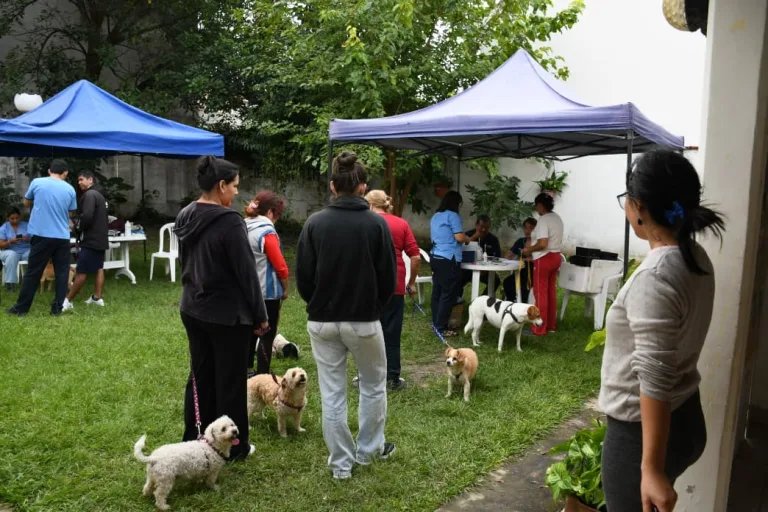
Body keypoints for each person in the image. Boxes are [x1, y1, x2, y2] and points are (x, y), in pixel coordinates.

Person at [600, 150, 724, 512]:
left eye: (626, 200)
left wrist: (650, 468)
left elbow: (654, 374)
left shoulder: (655, 276)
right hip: (685, 414)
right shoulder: (694, 256)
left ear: (638, 206)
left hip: (641, 434)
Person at [296, 151, 397, 480]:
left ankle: (341, 464)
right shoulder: (376, 224)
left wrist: (320, 303)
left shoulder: (314, 223)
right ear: (363, 187)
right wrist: (373, 307)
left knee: (333, 393)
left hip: (322, 321)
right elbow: (388, 278)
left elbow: (303, 278)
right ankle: (367, 452)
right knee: (373, 386)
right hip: (364, 321)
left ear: (332, 186)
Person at [174, 155, 269, 461]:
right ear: (221, 185)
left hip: (193, 306)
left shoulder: (185, 214)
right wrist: (260, 315)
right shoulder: (229, 221)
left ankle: (195, 436)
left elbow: (184, 262)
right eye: (235, 186)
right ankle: (235, 448)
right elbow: (246, 273)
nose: (237, 192)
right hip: (227, 315)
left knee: (200, 376)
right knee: (230, 382)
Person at [364, 189, 420, 391]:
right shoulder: (401, 224)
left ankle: (368, 376)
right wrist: (411, 283)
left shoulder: (364, 222)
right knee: (392, 334)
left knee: (367, 333)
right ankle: (393, 378)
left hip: (369, 287)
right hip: (395, 286)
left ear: (370, 205)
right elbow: (416, 257)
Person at [7, 159, 77, 316]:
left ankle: (21, 308)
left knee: (33, 272)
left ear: (49, 171)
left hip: (41, 235)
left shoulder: (37, 182)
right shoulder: (70, 189)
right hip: (62, 236)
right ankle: (57, 309)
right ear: (65, 173)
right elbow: (71, 212)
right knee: (62, 273)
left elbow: (26, 203)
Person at [244, 190, 289, 378]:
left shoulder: (243, 226)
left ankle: (247, 370)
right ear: (270, 212)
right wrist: (285, 287)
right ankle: (263, 375)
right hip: (267, 292)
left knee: (250, 332)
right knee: (266, 334)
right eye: (277, 215)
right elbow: (280, 265)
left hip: (246, 291)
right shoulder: (267, 232)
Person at [63, 171, 109, 310]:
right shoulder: (100, 196)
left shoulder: (89, 195)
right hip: (101, 239)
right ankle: (97, 298)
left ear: (91, 180)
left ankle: (67, 301)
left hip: (90, 239)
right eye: (78, 180)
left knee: (81, 271)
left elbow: (87, 216)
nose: (79, 183)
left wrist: (77, 228)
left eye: (81, 179)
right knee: (99, 268)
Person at [521, 193, 563, 335]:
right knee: (550, 292)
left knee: (540, 294)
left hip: (544, 258)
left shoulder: (544, 220)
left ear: (540, 205)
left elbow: (543, 243)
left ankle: (538, 328)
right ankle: (551, 325)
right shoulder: (557, 218)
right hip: (556, 256)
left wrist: (528, 249)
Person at [429, 190, 470, 337]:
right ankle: (441, 327)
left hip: (435, 256)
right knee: (448, 294)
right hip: (449, 258)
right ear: (456, 203)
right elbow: (459, 237)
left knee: (437, 291)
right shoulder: (452, 216)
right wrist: (467, 239)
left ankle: (436, 323)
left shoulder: (436, 216)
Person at [458, 214, 502, 298]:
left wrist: (487, 268)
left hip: (485, 270)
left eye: (486, 227)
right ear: (476, 225)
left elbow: (497, 257)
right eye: (481, 227)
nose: (483, 230)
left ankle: (482, 300)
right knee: (458, 279)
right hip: (468, 269)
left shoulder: (493, 239)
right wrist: (474, 237)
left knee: (495, 281)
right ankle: (457, 300)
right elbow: (462, 249)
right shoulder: (468, 235)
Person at [503, 217, 537, 303]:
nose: (528, 231)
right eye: (525, 228)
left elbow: (539, 259)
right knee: (507, 282)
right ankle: (511, 303)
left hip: (533, 273)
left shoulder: (538, 244)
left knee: (523, 285)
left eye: (531, 228)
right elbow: (509, 255)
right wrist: (506, 258)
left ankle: (523, 304)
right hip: (519, 272)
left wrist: (528, 259)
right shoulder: (520, 241)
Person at [0, 207, 31, 292]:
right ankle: (10, 283)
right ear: (8, 218)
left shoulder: (26, 225)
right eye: (12, 218)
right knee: (12, 255)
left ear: (20, 216)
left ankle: (31, 281)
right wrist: (10, 241)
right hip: (8, 251)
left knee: (34, 253)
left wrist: (27, 239)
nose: (15, 220)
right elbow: (1, 245)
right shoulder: (4, 228)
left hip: (25, 251)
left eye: (17, 218)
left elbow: (35, 240)